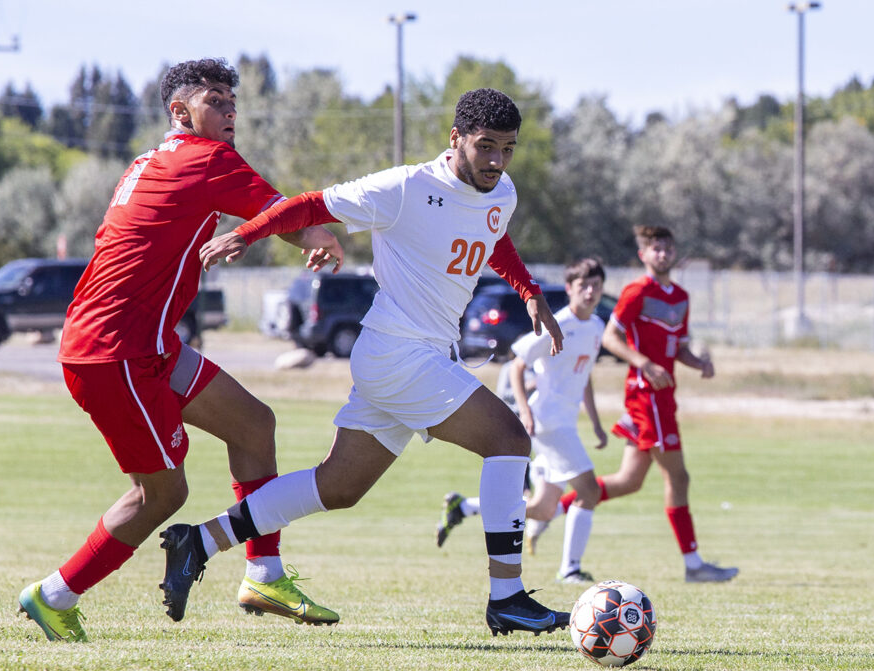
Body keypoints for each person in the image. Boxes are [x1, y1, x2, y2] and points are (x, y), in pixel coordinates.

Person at [159, 88, 573, 637]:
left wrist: (528, 290)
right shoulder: (404, 188)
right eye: (485, 147)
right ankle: (508, 596)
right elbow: (309, 205)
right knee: (510, 440)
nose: (496, 161)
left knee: (339, 487)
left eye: (508, 149)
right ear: (456, 140)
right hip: (399, 352)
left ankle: (199, 541)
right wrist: (245, 233)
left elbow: (491, 234)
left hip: (409, 359)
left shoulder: (502, 191)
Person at [17, 58, 345, 642]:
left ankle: (264, 575)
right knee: (163, 493)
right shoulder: (207, 158)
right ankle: (54, 593)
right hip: (115, 352)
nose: (229, 112)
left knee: (253, 425)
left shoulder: (151, 160)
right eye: (215, 100)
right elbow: (279, 213)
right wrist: (315, 233)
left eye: (232, 103)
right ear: (180, 111)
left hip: (146, 344)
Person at [435, 257, 609, 585]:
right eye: (583, 285)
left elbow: (584, 376)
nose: (590, 291)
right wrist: (525, 413)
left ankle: (464, 507)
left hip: (565, 423)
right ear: (569, 288)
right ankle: (570, 569)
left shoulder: (596, 327)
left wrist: (597, 423)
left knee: (543, 508)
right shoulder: (560, 323)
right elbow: (516, 365)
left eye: (596, 286)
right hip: (547, 422)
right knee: (589, 490)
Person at [590, 225, 737, 582]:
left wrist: (699, 363)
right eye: (655, 248)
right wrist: (643, 362)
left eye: (667, 248)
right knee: (679, 476)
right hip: (645, 396)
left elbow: (679, 348)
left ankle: (555, 508)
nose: (662, 253)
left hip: (664, 398)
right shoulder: (637, 291)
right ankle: (694, 565)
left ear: (675, 254)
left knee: (628, 482)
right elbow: (610, 337)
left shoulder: (681, 297)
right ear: (643, 255)